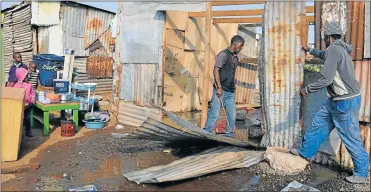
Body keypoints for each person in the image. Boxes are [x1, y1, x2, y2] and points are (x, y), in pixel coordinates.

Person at [290, 22, 369, 184]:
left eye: (325, 37)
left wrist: (307, 89)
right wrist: (310, 50)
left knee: (350, 136)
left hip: (344, 101)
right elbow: (324, 54)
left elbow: (326, 79)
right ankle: (305, 152)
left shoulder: (334, 50)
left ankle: (361, 173)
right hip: (336, 99)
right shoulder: (338, 49)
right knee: (317, 125)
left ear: (328, 37)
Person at [203, 35, 245, 137]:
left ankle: (229, 136)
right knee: (214, 114)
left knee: (232, 116)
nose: (241, 48)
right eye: (240, 46)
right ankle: (205, 134)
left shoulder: (235, 57)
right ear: (234, 44)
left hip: (231, 92)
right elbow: (216, 70)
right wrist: (219, 87)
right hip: (221, 90)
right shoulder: (223, 54)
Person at [14, 68, 35, 137]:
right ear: (21, 76)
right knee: (19, 118)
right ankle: (19, 133)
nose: (27, 77)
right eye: (25, 76)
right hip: (20, 105)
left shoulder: (29, 84)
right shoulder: (17, 86)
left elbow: (32, 93)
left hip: (28, 105)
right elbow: (15, 95)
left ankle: (28, 131)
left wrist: (32, 100)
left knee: (27, 117)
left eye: (27, 75)